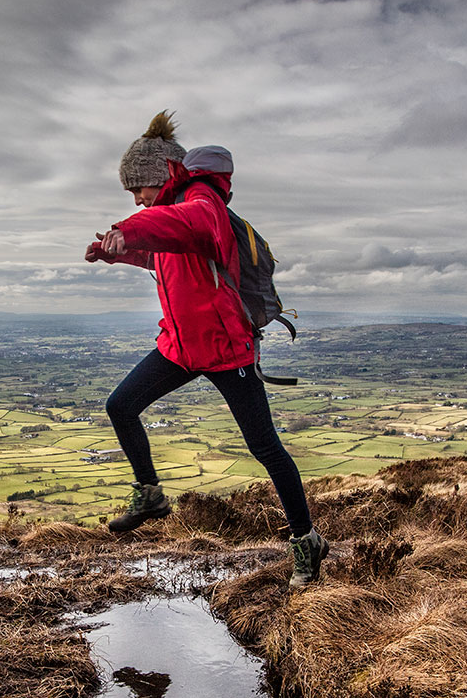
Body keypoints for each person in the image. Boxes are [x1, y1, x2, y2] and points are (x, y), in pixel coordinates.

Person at [85, 111, 328, 587]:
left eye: (140, 189)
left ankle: (307, 540)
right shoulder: (171, 218)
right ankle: (150, 493)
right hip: (179, 347)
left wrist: (130, 226)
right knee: (121, 405)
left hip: (226, 350)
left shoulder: (203, 203)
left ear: (163, 177)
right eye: (131, 195)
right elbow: (164, 250)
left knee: (265, 447)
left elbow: (181, 223)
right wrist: (119, 250)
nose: (136, 199)